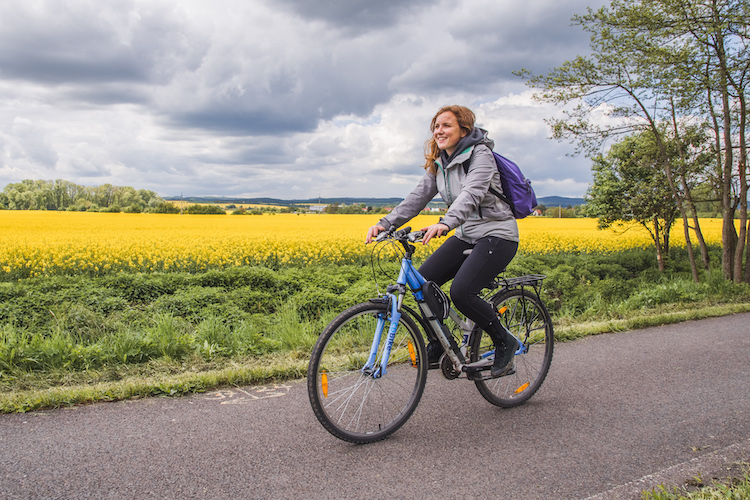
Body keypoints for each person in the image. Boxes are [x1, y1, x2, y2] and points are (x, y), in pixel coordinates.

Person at [366, 105, 519, 378]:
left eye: (446, 125)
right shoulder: (440, 163)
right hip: (466, 233)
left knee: (462, 292)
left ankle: (504, 342)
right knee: (423, 286)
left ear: (464, 129)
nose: (439, 131)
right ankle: (440, 342)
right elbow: (418, 196)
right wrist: (385, 223)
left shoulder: (481, 155)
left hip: (497, 234)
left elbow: (472, 194)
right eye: (436, 126)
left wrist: (446, 222)